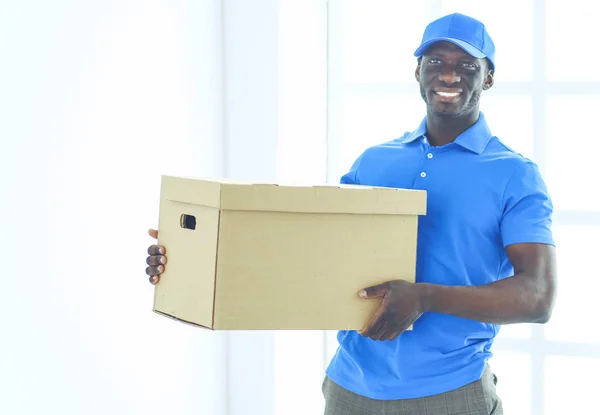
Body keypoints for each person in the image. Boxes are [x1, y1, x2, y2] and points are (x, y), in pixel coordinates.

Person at [145, 12, 557, 415]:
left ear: (487, 77)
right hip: (348, 390)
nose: (449, 75)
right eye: (436, 62)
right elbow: (313, 256)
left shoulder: (514, 174)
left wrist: (424, 296)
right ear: (417, 72)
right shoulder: (374, 162)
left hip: (450, 393)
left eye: (467, 64)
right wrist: (188, 266)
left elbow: (538, 298)